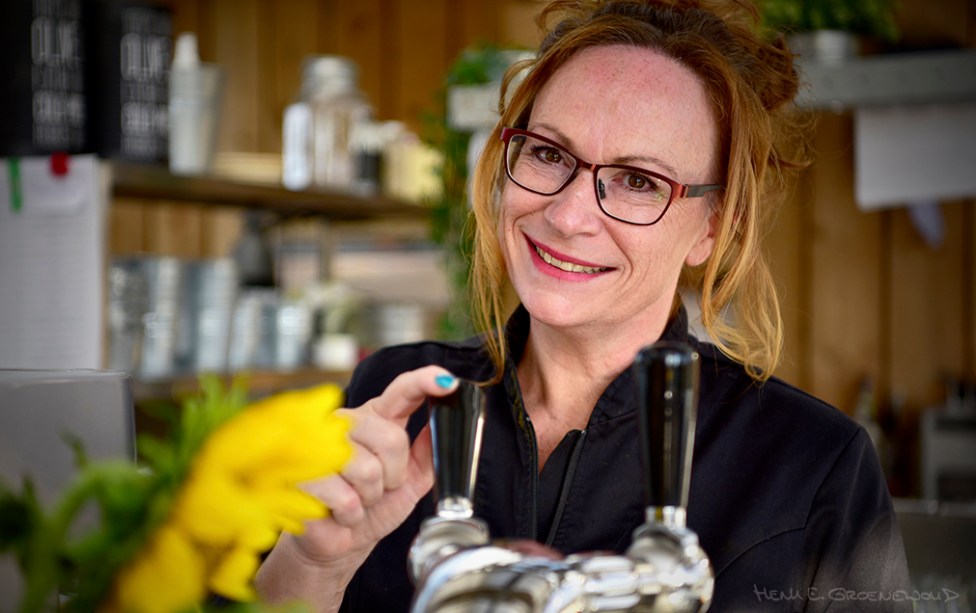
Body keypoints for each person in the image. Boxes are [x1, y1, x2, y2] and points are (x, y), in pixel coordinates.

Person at [256, 0, 912, 611]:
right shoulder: (395, 397)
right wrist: (315, 563)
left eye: (637, 180)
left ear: (716, 225)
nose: (568, 215)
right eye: (549, 153)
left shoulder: (812, 463)